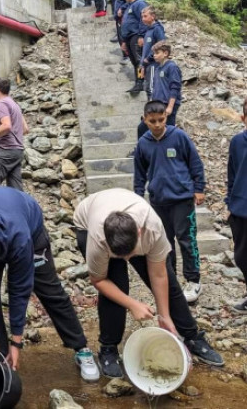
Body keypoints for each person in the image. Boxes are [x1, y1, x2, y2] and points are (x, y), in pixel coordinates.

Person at [0, 187, 100, 381]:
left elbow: (19, 291)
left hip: (28, 226)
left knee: (50, 290)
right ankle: (0, 357)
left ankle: (81, 348)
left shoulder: (19, 237)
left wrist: (17, 341)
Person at [73, 188, 224, 378]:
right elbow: (99, 280)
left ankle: (191, 336)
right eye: (122, 256)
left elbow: (159, 275)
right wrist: (132, 304)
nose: (128, 259)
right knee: (117, 286)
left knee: (170, 284)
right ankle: (109, 348)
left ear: (139, 232)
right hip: (88, 220)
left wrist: (164, 316)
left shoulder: (152, 228)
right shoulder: (98, 239)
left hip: (130, 222)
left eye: (131, 253)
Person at [134, 100, 205, 303]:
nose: (157, 124)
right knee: (165, 244)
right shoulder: (143, 143)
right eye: (152, 121)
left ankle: (193, 280)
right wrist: (138, 198)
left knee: (187, 239)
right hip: (158, 201)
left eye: (161, 120)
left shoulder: (179, 136)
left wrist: (199, 188)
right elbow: (139, 174)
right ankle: (170, 280)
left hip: (182, 199)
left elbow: (195, 162)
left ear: (166, 116)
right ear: (145, 120)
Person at [0, 78, 28, 191]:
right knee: (16, 190)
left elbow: (7, 126)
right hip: (17, 152)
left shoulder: (1, 104)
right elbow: (25, 129)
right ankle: (19, 208)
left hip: (5, 151)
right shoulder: (15, 105)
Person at [226, 97, 247, 314]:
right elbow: (232, 172)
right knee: (241, 256)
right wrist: (229, 202)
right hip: (240, 208)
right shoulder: (237, 142)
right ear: (243, 118)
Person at [120, 0, 148, 93]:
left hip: (136, 35)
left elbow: (143, 20)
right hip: (128, 37)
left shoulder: (139, 4)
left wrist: (141, 36)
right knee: (134, 61)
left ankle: (140, 82)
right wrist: (123, 41)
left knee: (139, 60)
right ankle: (137, 82)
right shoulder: (129, 6)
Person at [140, 6, 166, 100]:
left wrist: (149, 58)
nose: (143, 19)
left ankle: (153, 111)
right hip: (147, 65)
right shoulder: (148, 30)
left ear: (153, 16)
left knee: (151, 89)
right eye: (142, 16)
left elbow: (162, 43)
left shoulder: (157, 29)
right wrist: (142, 65)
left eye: (145, 16)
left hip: (153, 64)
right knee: (148, 88)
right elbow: (146, 50)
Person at [112, 0, 129, 64]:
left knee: (123, 37)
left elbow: (130, 2)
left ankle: (127, 56)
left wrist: (122, 9)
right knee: (120, 37)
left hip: (123, 18)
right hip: (118, 19)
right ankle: (125, 55)